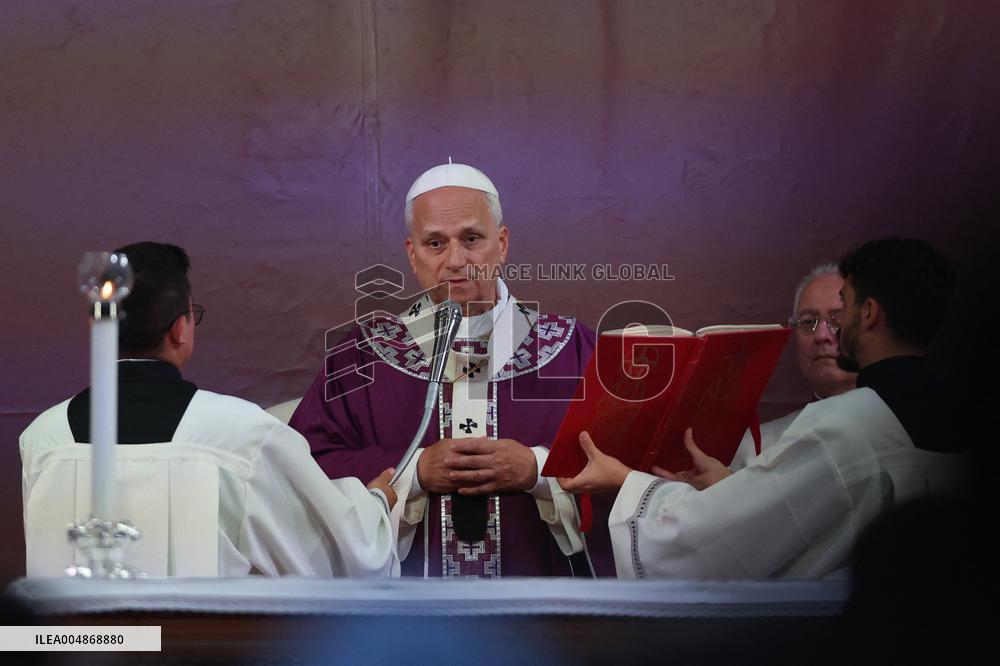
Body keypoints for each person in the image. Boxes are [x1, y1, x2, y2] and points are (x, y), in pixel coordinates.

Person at [558, 237, 964, 579]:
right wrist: (732, 488)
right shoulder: (964, 419)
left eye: (846, 306)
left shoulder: (850, 426)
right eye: (809, 321)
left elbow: (717, 543)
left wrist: (627, 481)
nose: (830, 333)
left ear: (869, 313)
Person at [290, 162, 607, 578]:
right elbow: (303, 469)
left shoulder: (571, 349)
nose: (456, 260)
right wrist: (415, 472)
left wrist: (537, 469)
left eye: (471, 238)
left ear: (503, 243)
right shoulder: (364, 357)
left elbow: (624, 469)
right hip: (407, 613)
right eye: (435, 243)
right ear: (412, 254)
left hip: (541, 605)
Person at [20, 242, 398, 578]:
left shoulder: (43, 438)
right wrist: (375, 504)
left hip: (67, 651)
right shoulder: (241, 436)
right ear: (180, 329)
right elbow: (341, 556)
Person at [728, 264, 857, 470]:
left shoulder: (905, 428)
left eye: (838, 319)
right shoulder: (753, 449)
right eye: (808, 322)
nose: (821, 335)